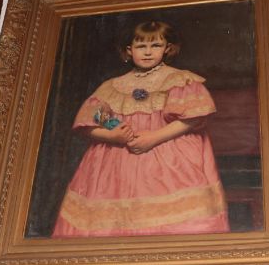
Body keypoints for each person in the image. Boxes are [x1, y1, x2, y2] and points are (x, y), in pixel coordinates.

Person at [52, 21, 230, 237]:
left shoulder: (179, 79)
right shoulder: (113, 86)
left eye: (155, 45)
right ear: (129, 50)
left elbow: (193, 118)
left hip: (167, 157)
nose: (147, 52)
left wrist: (153, 137)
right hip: (117, 165)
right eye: (140, 46)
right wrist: (115, 133)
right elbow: (95, 118)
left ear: (167, 49)